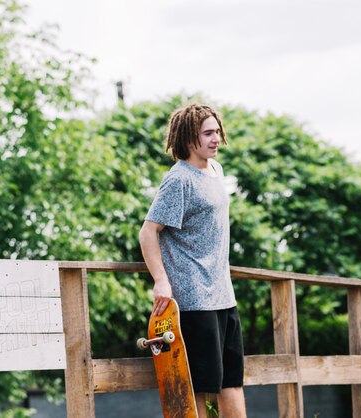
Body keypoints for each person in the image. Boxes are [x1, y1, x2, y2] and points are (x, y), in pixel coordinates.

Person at [139, 103, 246, 417]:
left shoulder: (216, 171)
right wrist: (161, 281)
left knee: (232, 382)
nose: (216, 139)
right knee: (200, 387)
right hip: (194, 298)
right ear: (189, 140)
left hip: (224, 296)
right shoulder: (179, 180)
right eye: (208, 133)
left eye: (217, 132)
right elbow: (148, 233)